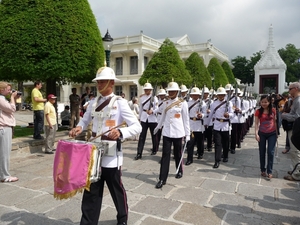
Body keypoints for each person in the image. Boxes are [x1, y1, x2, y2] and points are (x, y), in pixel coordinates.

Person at [69, 66, 141, 225]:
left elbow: (137, 126)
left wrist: (121, 133)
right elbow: (85, 120)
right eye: (98, 82)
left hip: (111, 154)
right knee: (91, 191)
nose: (99, 85)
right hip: (94, 152)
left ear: (111, 83)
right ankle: (87, 222)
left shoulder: (120, 103)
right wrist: (79, 127)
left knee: (116, 190)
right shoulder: (93, 102)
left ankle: (122, 219)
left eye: (102, 81)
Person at [153, 81, 190, 188]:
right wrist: (158, 127)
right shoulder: (166, 103)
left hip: (178, 132)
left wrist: (187, 134)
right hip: (167, 132)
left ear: (177, 92)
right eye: (170, 91)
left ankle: (179, 171)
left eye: (173, 91)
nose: (171, 93)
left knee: (178, 153)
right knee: (165, 155)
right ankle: (162, 179)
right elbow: (163, 117)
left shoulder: (183, 103)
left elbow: (185, 120)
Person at [206, 86, 234, 169]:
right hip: (217, 125)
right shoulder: (214, 103)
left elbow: (232, 114)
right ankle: (217, 160)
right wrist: (207, 123)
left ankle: (225, 156)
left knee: (225, 143)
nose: (221, 96)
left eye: (222, 95)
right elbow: (210, 114)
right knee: (218, 144)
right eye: (219, 95)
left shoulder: (229, 103)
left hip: (225, 125)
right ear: (217, 95)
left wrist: (228, 115)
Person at [254, 95, 277, 180]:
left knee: (270, 152)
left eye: (266, 102)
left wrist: (276, 133)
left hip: (272, 133)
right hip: (262, 133)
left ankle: (269, 171)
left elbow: (275, 122)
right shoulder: (258, 111)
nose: (264, 103)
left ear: (269, 102)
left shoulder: (273, 111)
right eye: (262, 102)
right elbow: (256, 124)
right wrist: (256, 134)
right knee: (262, 151)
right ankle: (263, 169)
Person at [0, 82, 19, 182]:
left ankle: (2, 174)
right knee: (4, 153)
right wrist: (12, 98)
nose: (9, 91)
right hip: (4, 128)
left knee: (2, 153)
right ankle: (5, 176)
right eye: (8, 89)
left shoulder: (2, 99)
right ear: (1, 89)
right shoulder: (0, 99)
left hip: (3, 128)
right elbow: (12, 109)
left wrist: (13, 98)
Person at [282, 82, 300, 181]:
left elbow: (297, 117)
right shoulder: (295, 100)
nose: (289, 91)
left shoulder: (298, 101)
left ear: (296, 89)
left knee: (295, 151)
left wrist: (285, 115)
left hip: (296, 128)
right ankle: (295, 169)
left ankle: (297, 174)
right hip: (293, 128)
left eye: (290, 89)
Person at [135, 82, 158, 159]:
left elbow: (157, 108)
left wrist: (153, 111)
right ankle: (139, 153)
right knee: (142, 136)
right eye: (145, 90)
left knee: (154, 135)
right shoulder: (142, 98)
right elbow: (141, 108)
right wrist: (140, 118)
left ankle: (155, 149)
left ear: (151, 90)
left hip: (152, 118)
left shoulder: (154, 98)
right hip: (144, 118)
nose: (146, 91)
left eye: (148, 90)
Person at [186, 87, 206, 165]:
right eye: (193, 95)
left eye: (196, 95)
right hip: (191, 124)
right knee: (190, 143)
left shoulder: (202, 103)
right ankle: (189, 159)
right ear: (191, 95)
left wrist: (202, 115)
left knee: (200, 142)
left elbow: (205, 113)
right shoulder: (187, 103)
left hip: (199, 125)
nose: (195, 96)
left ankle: (200, 153)